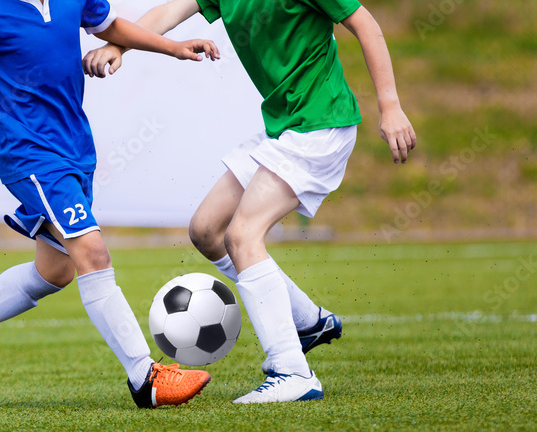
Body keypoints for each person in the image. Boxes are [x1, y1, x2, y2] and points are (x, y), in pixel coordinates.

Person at [0, 0, 220, 408]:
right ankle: (146, 377)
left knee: (55, 271)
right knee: (93, 253)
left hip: (75, 150)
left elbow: (110, 27)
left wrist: (172, 46)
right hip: (30, 157)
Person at [83, 0, 417, 403]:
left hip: (320, 125)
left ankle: (293, 371)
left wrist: (391, 106)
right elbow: (170, 12)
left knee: (242, 236)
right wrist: (119, 46)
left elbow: (366, 24)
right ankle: (307, 322)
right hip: (283, 129)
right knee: (206, 230)